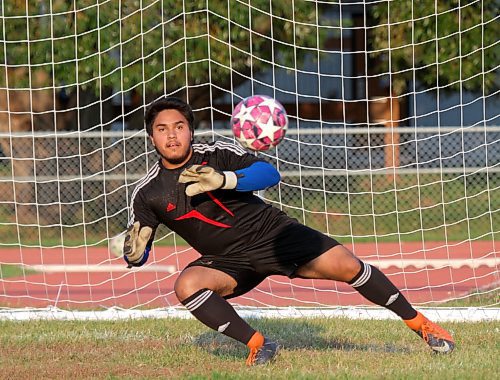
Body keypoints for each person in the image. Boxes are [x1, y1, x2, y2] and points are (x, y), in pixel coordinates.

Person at [123, 97, 455, 366]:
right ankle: (259, 345)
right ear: (151, 137)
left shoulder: (217, 153)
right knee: (187, 285)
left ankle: (420, 325)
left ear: (190, 131)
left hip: (275, 235)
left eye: (179, 127)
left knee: (351, 267)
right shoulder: (147, 192)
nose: (172, 135)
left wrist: (225, 179)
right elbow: (140, 245)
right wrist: (135, 254)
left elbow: (268, 174)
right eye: (162, 129)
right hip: (228, 261)